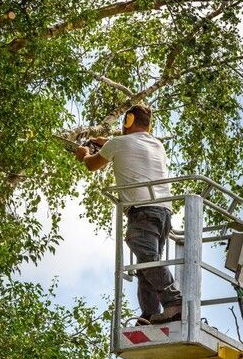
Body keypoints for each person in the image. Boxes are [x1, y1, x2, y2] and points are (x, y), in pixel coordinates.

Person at [75, 104, 182, 324]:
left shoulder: (119, 143)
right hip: (163, 211)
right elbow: (127, 147)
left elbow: (92, 165)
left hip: (142, 209)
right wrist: (105, 143)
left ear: (128, 121)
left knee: (146, 257)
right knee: (145, 265)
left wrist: (84, 153)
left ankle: (174, 302)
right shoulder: (157, 145)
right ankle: (150, 313)